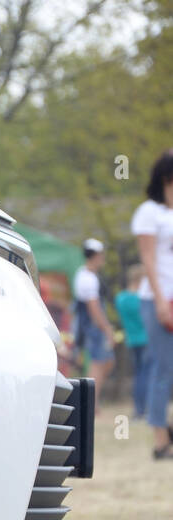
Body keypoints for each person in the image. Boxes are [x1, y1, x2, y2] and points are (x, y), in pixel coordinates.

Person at [133, 150, 173, 460]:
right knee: (164, 368)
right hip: (156, 299)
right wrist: (161, 301)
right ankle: (160, 440)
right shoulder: (149, 212)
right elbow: (148, 259)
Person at [72, 238, 116, 411]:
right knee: (98, 363)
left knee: (107, 361)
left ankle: (93, 402)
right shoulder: (88, 278)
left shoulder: (84, 274)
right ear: (96, 256)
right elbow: (94, 307)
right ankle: (91, 404)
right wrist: (106, 328)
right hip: (94, 327)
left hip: (90, 325)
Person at [116, 264, 149, 419]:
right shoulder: (141, 300)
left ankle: (138, 408)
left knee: (138, 375)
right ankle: (144, 409)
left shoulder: (121, 298)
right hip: (146, 339)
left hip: (132, 340)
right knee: (146, 375)